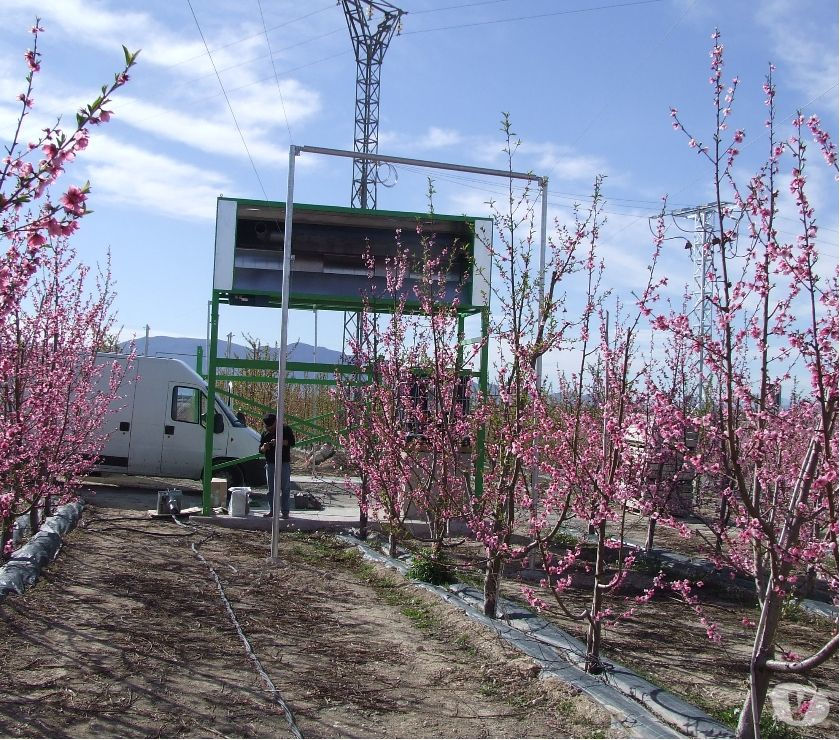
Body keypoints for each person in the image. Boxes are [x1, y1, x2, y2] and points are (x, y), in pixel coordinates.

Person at [259, 412, 295, 519]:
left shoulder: (286, 430)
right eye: (267, 427)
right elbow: (260, 449)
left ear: (276, 423)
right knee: (271, 489)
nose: (269, 429)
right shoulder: (265, 434)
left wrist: (280, 442)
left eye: (271, 426)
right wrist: (264, 448)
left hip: (283, 463)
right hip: (270, 463)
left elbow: (292, 442)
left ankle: (285, 511)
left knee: (285, 487)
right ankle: (272, 510)